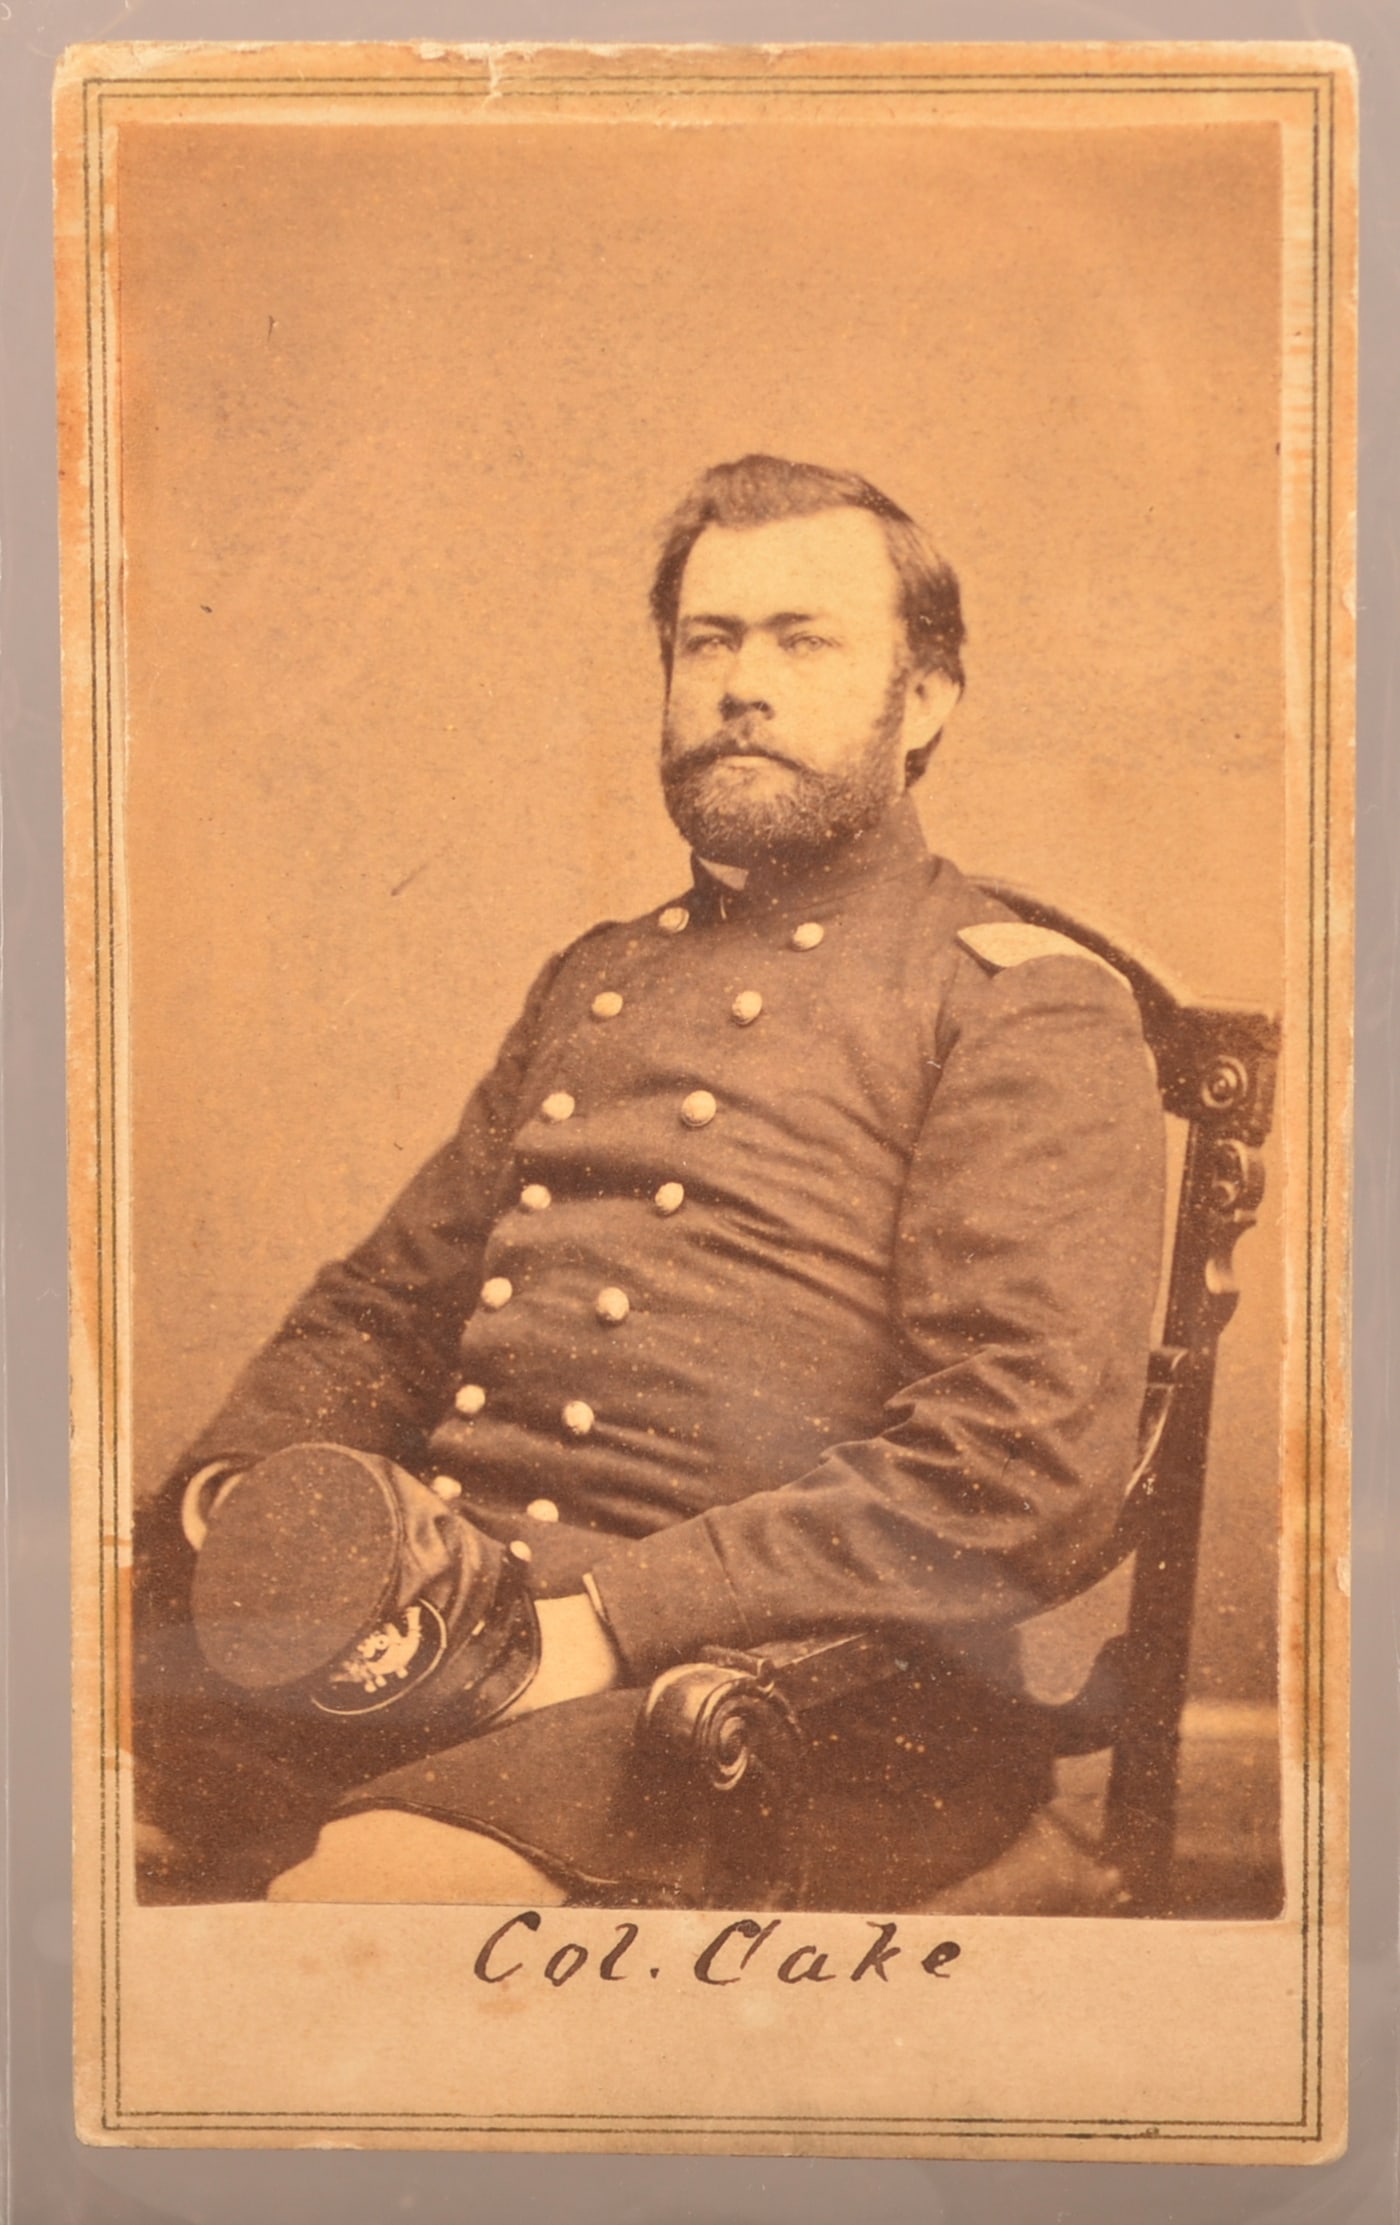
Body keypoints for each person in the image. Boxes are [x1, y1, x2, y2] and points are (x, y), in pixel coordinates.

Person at [134, 454, 1165, 1912]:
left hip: (800, 1689)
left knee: (354, 1914)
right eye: (709, 640)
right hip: (453, 1628)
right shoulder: (599, 977)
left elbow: (1019, 1464)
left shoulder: (1018, 1005)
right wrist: (246, 1509)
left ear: (923, 698)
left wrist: (612, 1619)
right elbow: (381, 1306)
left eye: (805, 641)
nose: (745, 683)